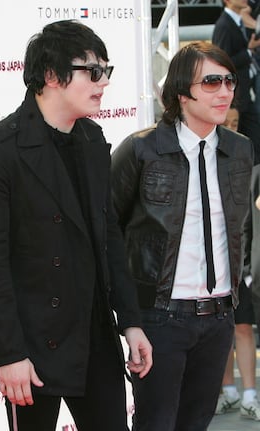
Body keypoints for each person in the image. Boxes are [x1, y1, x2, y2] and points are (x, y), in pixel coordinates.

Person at [0, 19, 152, 431]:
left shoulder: (92, 139)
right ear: (51, 75)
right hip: (32, 342)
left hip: (95, 334)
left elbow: (109, 239)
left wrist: (131, 322)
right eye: (92, 71)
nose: (103, 83)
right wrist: (8, 354)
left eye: (107, 71)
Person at [111, 41, 253, 430]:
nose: (224, 91)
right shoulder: (142, 150)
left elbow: (239, 228)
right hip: (161, 318)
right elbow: (109, 231)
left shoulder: (239, 150)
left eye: (229, 81)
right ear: (180, 93)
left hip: (219, 317)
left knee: (197, 424)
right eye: (211, 82)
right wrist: (128, 315)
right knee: (156, 424)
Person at [215, 105, 260, 421]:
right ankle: (228, 392)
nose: (232, 127)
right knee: (219, 332)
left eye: (235, 121)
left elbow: (247, 220)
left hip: (237, 262)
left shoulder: (248, 164)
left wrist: (245, 267)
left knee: (242, 327)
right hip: (209, 263)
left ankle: (248, 394)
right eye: (226, 122)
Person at [212, 0, 260, 163]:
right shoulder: (224, 25)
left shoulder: (237, 21)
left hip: (244, 93)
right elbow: (221, 61)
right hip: (235, 97)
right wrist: (248, 52)